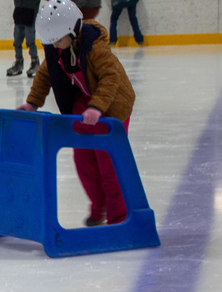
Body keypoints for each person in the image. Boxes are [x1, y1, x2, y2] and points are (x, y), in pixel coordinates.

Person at [19, 0, 136, 226]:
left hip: (113, 104)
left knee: (108, 163)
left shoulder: (96, 47)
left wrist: (97, 107)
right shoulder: (59, 48)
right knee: (83, 160)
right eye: (50, 42)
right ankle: (98, 206)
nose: (55, 47)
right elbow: (45, 75)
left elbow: (111, 78)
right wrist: (32, 103)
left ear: (73, 30)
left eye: (58, 40)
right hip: (87, 101)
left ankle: (118, 217)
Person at [7, 0, 41, 78]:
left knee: (30, 41)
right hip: (19, 12)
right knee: (17, 41)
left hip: (30, 12)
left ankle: (35, 61)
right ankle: (18, 62)